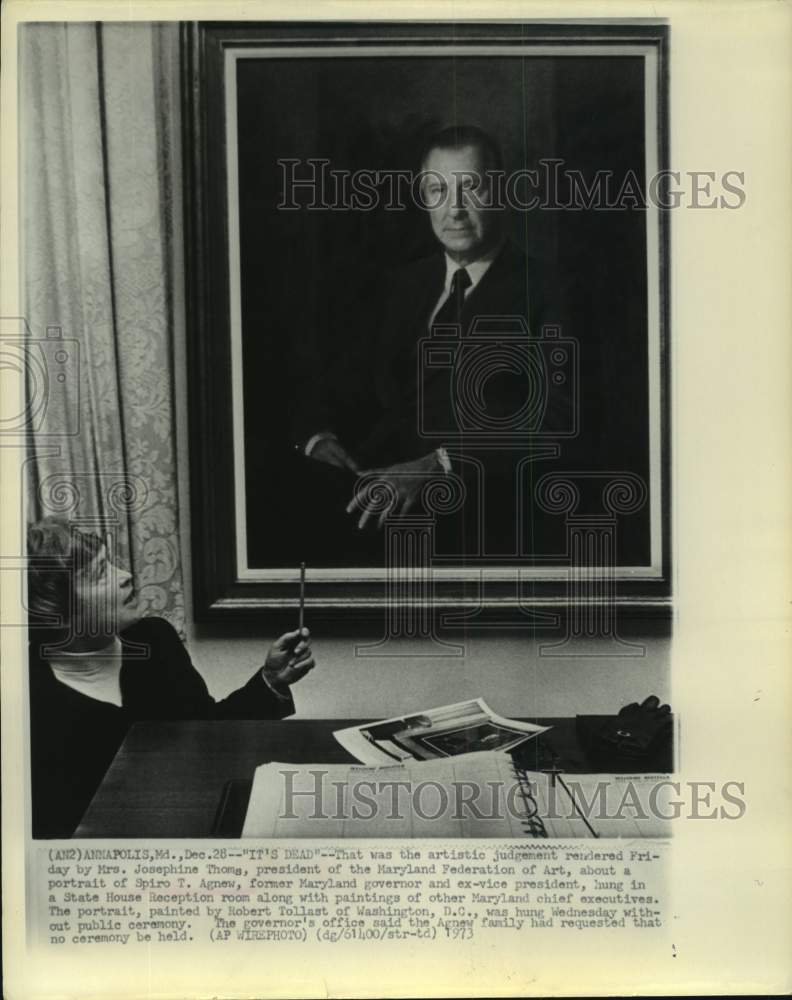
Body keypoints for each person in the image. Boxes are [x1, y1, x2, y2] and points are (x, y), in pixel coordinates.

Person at [302, 125, 572, 555]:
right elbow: (344, 388)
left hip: (478, 522)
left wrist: (441, 465)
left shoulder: (549, 291)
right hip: (365, 506)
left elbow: (559, 424)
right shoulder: (400, 285)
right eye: (437, 190)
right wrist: (318, 437)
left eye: (472, 188)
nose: (455, 209)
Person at [26, 518, 315, 837]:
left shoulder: (154, 639)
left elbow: (206, 732)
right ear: (53, 608)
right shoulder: (27, 693)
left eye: (110, 563)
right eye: (99, 575)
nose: (124, 577)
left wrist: (271, 680)